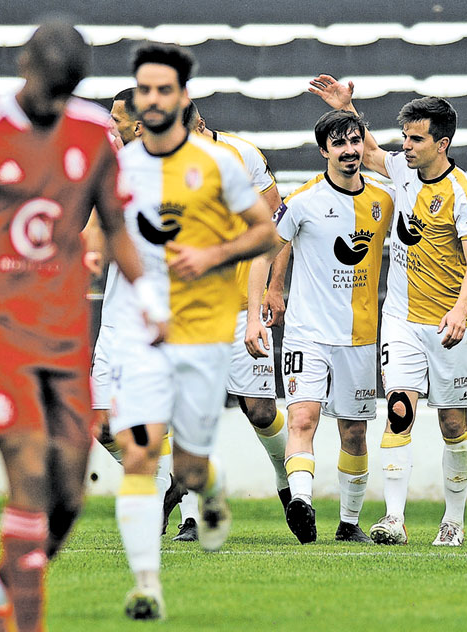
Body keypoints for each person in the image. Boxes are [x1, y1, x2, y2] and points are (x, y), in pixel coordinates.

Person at [0, 21, 167, 632]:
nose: (55, 104)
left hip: (66, 334)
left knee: (69, 499)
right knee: (27, 474)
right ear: (24, 66)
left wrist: (152, 299)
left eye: (67, 91)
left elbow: (117, 225)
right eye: (49, 89)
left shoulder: (95, 135)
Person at [107, 41, 278, 619]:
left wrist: (211, 258)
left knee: (188, 467)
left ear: (182, 98)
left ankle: (210, 485)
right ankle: (146, 586)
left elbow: (266, 235)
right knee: (138, 452)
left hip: (205, 331)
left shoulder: (221, 165)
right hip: (142, 332)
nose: (151, 99)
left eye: (162, 89)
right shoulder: (122, 168)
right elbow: (106, 240)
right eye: (142, 90)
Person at [309, 74, 467, 547]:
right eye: (404, 136)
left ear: (441, 144)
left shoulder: (463, 193)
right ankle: (395, 521)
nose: (406, 145)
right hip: (400, 320)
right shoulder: (402, 168)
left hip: (448, 325)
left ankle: (453, 521)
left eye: (416, 138)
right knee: (399, 410)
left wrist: (461, 312)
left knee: (452, 424)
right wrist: (347, 109)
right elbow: (374, 152)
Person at [257, 109, 394, 544]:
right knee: (303, 417)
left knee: (354, 429)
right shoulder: (300, 203)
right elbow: (267, 249)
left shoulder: (384, 200)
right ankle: (301, 502)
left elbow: (426, 235)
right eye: (340, 143)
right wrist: (265, 298)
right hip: (306, 333)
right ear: (324, 151)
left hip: (358, 336)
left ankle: (349, 523)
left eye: (355, 141)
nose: (350, 150)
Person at [171, 101, 291, 543]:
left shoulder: (245, 156)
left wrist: (274, 289)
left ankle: (288, 485)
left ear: (199, 124)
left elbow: (279, 227)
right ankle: (191, 515)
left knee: (259, 410)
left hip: (244, 303)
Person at [91, 87, 184, 535]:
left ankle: (158, 493)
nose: (110, 125)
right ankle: (167, 481)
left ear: (139, 126)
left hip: (159, 323)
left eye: (115, 119)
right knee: (100, 423)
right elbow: (95, 238)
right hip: (114, 320)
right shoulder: (112, 175)